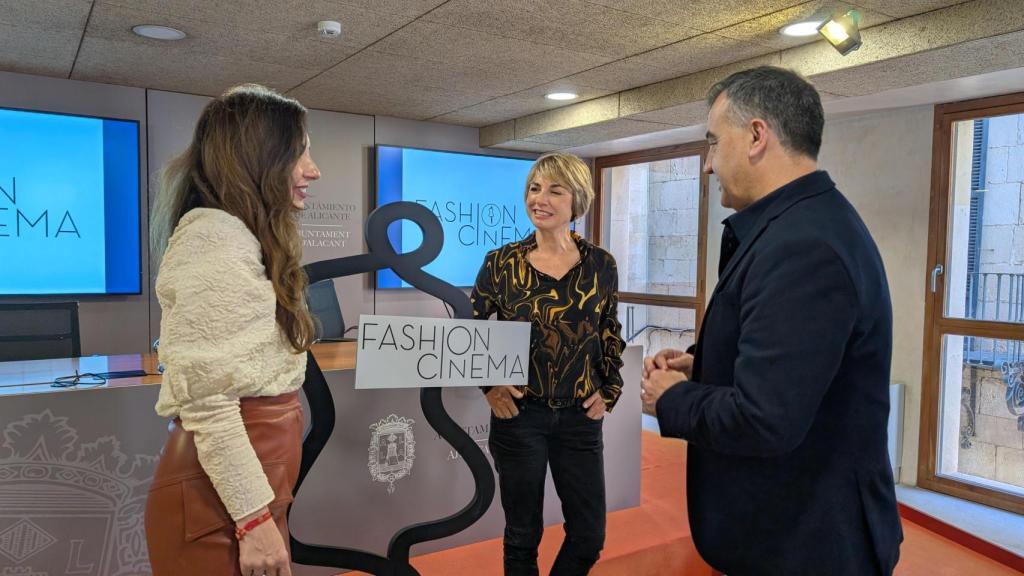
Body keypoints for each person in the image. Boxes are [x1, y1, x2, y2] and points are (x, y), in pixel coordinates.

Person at [640, 66, 903, 575]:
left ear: (757, 136)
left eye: (714, 143)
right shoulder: (803, 224)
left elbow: (766, 418)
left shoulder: (804, 246)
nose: (707, 165)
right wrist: (703, 364)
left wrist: (671, 397)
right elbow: (794, 366)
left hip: (807, 544)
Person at [145, 84, 321, 576]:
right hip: (222, 503)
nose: (313, 170)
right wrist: (252, 522)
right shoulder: (214, 238)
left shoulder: (236, 234)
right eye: (299, 153)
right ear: (260, 157)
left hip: (244, 491)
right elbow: (208, 400)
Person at [471, 152, 625, 576]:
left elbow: (609, 328)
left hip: (579, 419)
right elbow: (470, 332)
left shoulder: (601, 265)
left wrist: (610, 389)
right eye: (534, 189)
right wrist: (490, 386)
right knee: (522, 537)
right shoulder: (501, 263)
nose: (540, 198)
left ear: (577, 201)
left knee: (589, 537)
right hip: (521, 417)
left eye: (555, 190)